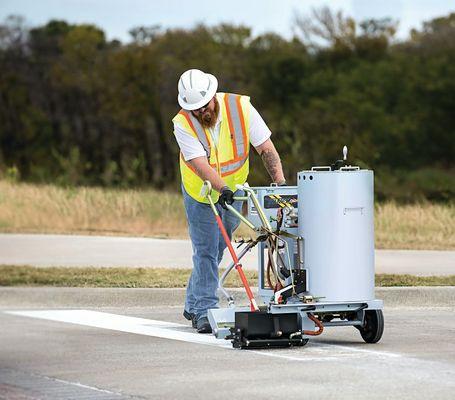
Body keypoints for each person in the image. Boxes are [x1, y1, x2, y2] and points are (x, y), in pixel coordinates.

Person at [172, 69, 286, 333]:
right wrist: (221, 188)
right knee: (206, 251)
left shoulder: (241, 108)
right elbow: (199, 163)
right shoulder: (182, 123)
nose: (202, 113)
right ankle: (203, 310)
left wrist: (280, 185)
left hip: (234, 193)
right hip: (200, 193)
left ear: (213, 96)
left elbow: (266, 148)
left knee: (219, 247)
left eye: (204, 106)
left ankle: (192, 301)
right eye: (195, 109)